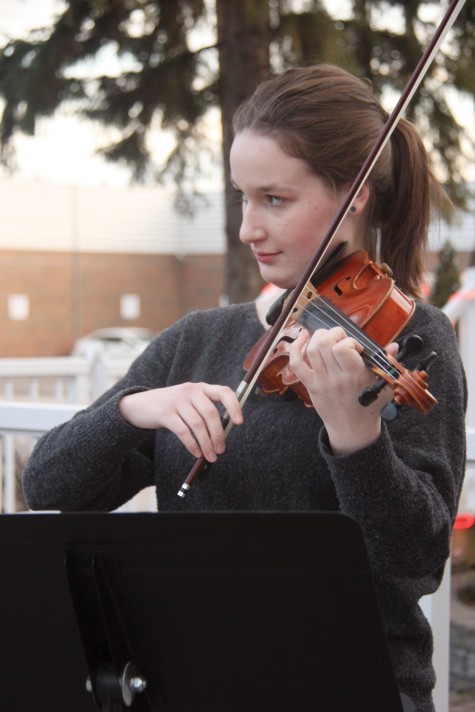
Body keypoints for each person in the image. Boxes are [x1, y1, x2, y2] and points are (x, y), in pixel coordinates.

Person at [22, 64, 466, 711]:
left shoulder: (412, 340)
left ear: (354, 192)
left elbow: (414, 560)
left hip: (350, 689)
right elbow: (48, 487)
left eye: (274, 199)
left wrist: (355, 437)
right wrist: (134, 409)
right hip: (194, 685)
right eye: (241, 197)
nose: (245, 228)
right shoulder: (197, 339)